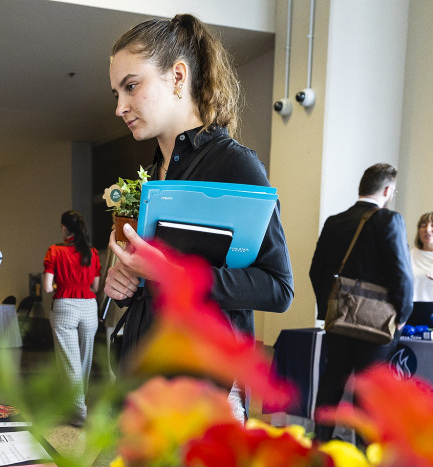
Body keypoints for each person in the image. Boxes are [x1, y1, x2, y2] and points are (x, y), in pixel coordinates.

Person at [102, 14, 294, 417]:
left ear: (177, 76)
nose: (120, 107)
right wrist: (128, 278)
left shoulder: (235, 165)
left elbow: (277, 288)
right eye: (116, 93)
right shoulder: (154, 172)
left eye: (131, 86)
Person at [309, 163, 413, 442]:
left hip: (338, 320)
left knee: (332, 381)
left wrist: (329, 309)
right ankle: (364, 454)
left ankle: (320, 445)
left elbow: (316, 271)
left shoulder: (335, 221)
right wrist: (403, 314)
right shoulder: (390, 220)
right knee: (367, 389)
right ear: (388, 190)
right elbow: (402, 274)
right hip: (376, 323)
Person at [43, 210, 101, 426]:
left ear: (64, 228)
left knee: (70, 361)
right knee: (84, 360)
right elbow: (95, 286)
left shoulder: (55, 251)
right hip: (89, 307)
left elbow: (48, 287)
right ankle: (78, 406)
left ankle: (78, 411)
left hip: (65, 306)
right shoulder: (93, 253)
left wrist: (61, 284)